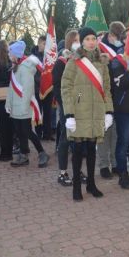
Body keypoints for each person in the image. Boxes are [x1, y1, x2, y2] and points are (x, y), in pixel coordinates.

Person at [62, 27, 114, 202]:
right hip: (78, 111)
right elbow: (66, 88)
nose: (91, 42)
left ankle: (91, 183)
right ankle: (77, 186)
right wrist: (69, 113)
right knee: (77, 151)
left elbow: (106, 89)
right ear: (82, 41)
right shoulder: (74, 61)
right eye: (87, 39)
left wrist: (108, 111)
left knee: (92, 149)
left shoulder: (102, 62)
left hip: (96, 111)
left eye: (93, 38)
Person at [6, 40, 50, 167]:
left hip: (23, 107)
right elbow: (11, 87)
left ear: (16, 55)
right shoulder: (15, 66)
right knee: (20, 132)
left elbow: (28, 89)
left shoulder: (25, 68)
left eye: (10, 53)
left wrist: (24, 107)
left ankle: (42, 153)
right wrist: (8, 103)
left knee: (27, 132)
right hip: (15, 107)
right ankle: (24, 155)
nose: (9, 56)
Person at [109, 27, 129, 189]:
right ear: (123, 40)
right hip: (124, 108)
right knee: (123, 142)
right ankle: (123, 173)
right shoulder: (117, 59)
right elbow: (121, 83)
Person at [96, 22, 126, 179]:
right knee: (103, 133)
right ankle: (103, 165)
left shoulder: (119, 50)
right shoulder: (100, 49)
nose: (120, 40)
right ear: (111, 36)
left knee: (115, 133)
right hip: (103, 96)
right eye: (119, 37)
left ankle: (114, 163)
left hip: (118, 97)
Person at [53, 30, 79, 187]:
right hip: (66, 107)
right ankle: (62, 172)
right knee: (65, 138)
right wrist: (67, 108)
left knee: (78, 140)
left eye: (79, 40)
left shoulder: (80, 61)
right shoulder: (61, 62)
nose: (78, 42)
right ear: (69, 42)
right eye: (75, 40)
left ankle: (77, 170)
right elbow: (58, 88)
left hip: (79, 105)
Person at [31, 35, 54, 140]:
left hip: (48, 89)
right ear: (39, 43)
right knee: (37, 112)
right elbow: (32, 74)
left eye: (47, 44)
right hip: (37, 89)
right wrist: (41, 82)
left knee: (48, 112)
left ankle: (47, 134)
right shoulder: (32, 58)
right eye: (44, 44)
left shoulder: (50, 57)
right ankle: (38, 133)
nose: (46, 46)